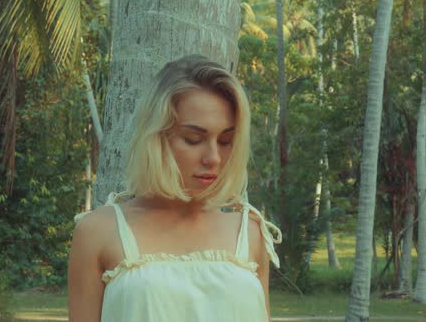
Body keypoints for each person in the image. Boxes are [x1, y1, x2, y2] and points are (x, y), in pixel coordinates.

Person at [68, 54, 282, 322]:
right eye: (193, 139)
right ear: (156, 137)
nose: (213, 158)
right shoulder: (98, 231)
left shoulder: (249, 232)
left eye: (226, 141)